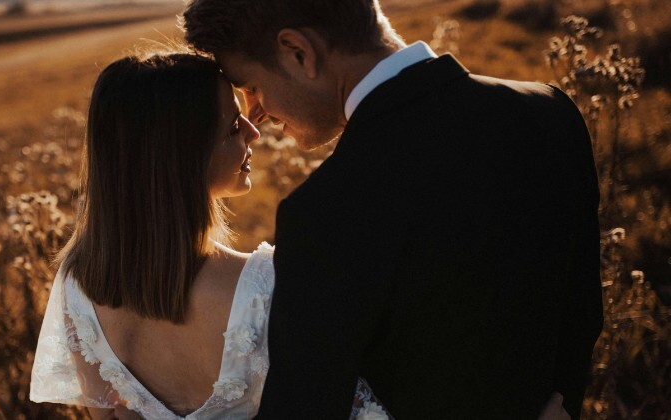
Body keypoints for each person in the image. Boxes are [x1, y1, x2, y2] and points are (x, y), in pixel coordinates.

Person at [182, 0, 603, 419]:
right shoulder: (550, 112)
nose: (258, 113)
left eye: (252, 86)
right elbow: (581, 313)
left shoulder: (325, 212)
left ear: (298, 53)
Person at [29, 52, 391, 419]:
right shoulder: (267, 288)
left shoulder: (79, 289)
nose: (254, 130)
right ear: (183, 159)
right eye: (233, 127)